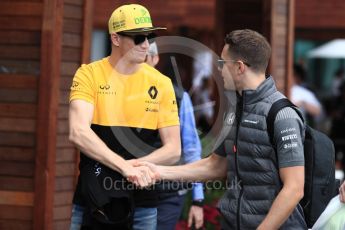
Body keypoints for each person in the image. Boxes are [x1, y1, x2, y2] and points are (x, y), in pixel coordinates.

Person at [138, 29, 307, 229]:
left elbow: (294, 188)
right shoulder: (234, 111)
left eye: (221, 63)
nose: (218, 70)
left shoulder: (282, 115)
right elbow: (215, 167)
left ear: (239, 67)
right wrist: (158, 172)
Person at [68, 4, 181, 230]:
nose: (146, 45)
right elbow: (78, 132)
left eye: (149, 37)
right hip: (93, 199)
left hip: (142, 203)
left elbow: (174, 150)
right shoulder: (88, 74)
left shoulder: (161, 83)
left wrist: (133, 168)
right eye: (138, 38)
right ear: (116, 39)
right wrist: (124, 167)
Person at [146, 42, 204, 229]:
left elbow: (191, 148)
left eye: (145, 56)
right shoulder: (123, 93)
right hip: (131, 189)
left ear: (155, 59)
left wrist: (198, 199)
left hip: (168, 193)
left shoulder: (178, 96)